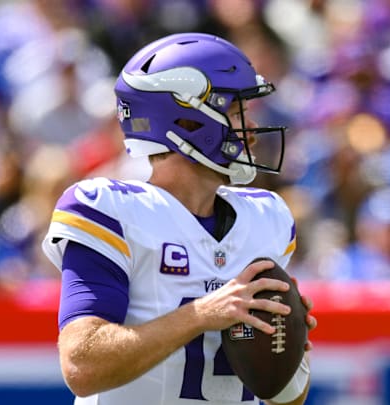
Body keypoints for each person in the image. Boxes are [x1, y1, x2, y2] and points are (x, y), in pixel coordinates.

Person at [42, 32, 316, 405]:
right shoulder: (111, 210)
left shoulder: (268, 217)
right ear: (188, 123)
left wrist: (288, 347)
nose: (250, 131)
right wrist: (201, 315)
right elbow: (82, 366)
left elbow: (286, 398)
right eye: (237, 113)